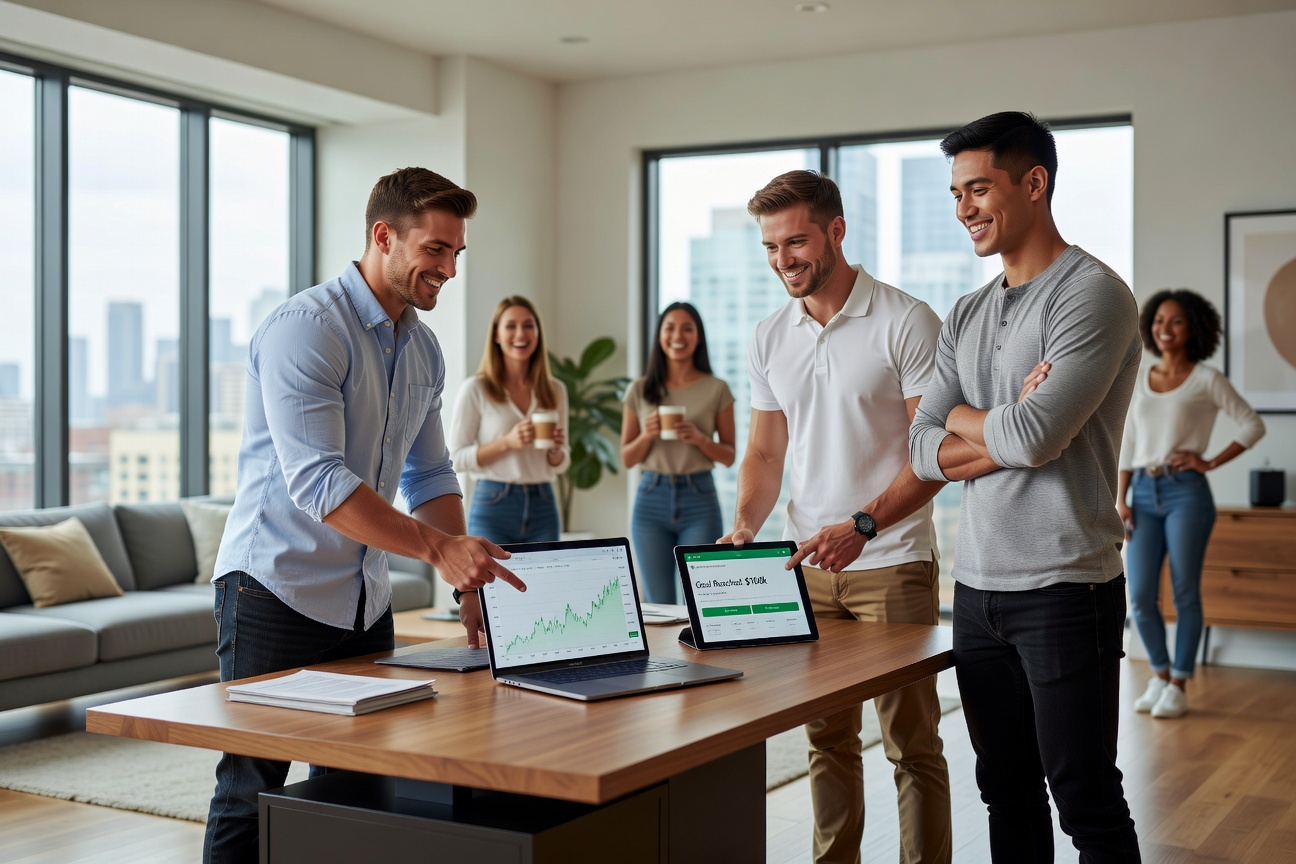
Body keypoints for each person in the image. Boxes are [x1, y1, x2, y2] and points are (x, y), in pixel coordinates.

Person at [203, 167, 524, 864]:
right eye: (435, 250)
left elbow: (429, 474)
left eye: (456, 253)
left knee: (355, 786)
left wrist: (466, 579)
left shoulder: (423, 347)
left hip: (362, 601)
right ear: (384, 236)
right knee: (251, 787)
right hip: (273, 591)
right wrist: (438, 552)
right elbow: (320, 483)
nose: (449, 269)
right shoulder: (306, 329)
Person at [908, 111, 1142, 861]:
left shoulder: (1093, 296)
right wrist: (1004, 418)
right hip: (977, 589)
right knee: (1005, 791)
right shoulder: (967, 311)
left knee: (1085, 799)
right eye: (956, 194)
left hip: (1066, 587)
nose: (963, 209)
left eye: (978, 189)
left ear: (1034, 183)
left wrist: (975, 420)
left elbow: (1036, 438)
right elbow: (919, 445)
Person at [721, 170, 951, 864]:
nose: (782, 259)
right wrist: (746, 525)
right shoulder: (770, 335)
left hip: (891, 561)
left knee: (912, 743)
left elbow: (931, 454)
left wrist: (863, 527)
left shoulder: (906, 321)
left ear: (836, 232)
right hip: (806, 566)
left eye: (795, 242)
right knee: (826, 739)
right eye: (770, 247)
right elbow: (766, 451)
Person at [1119, 289, 1264, 719]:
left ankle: (1179, 683)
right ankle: (1160, 675)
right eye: (1159, 320)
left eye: (1177, 321)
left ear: (1193, 328)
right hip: (1142, 494)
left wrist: (1210, 462)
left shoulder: (1207, 379)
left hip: (1187, 494)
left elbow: (1252, 424)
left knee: (1184, 592)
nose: (1165, 328)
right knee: (1139, 595)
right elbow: (1128, 441)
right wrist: (1120, 498)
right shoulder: (1139, 377)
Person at [621, 302, 735, 604]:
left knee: (701, 598)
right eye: (669, 328)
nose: (677, 336)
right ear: (659, 335)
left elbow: (728, 456)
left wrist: (699, 439)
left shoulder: (717, 389)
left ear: (698, 337)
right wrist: (647, 434)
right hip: (651, 499)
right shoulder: (640, 389)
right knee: (659, 603)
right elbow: (627, 458)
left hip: (699, 499)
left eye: (687, 329)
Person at [449, 295, 570, 546]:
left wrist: (556, 450)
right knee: (491, 574)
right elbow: (456, 459)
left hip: (543, 504)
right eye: (511, 326)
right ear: (496, 335)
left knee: (549, 574)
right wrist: (507, 443)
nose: (521, 334)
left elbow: (561, 463)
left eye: (528, 326)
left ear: (538, 333)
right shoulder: (476, 389)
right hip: (493, 504)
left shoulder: (555, 390)